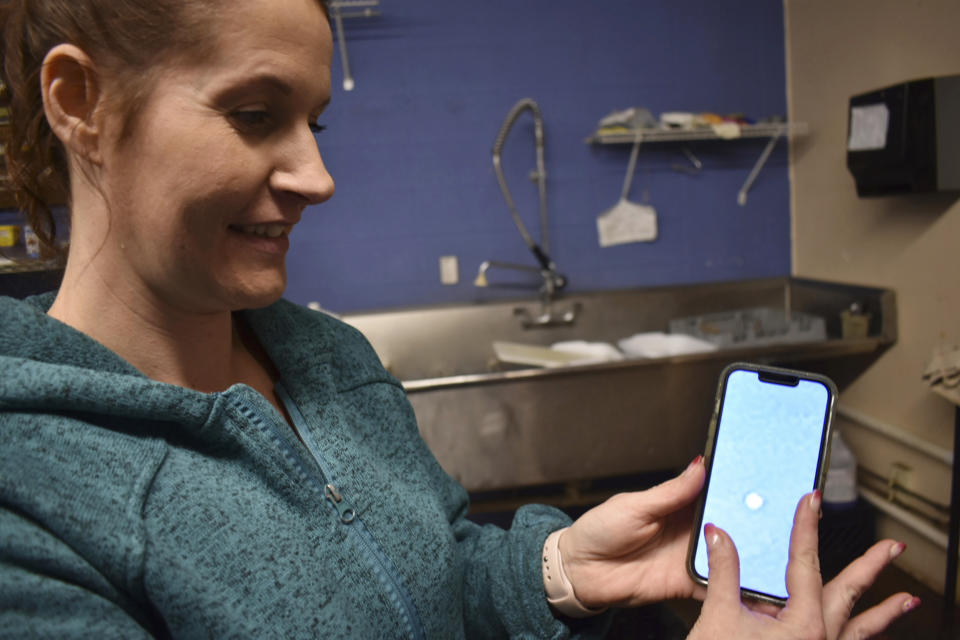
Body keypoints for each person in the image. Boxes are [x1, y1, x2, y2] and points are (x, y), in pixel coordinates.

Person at [0, 0, 919, 637]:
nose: (318, 178)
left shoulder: (331, 360)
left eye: (315, 123)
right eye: (253, 113)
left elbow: (427, 575)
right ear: (81, 102)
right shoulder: (29, 500)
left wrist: (558, 570)